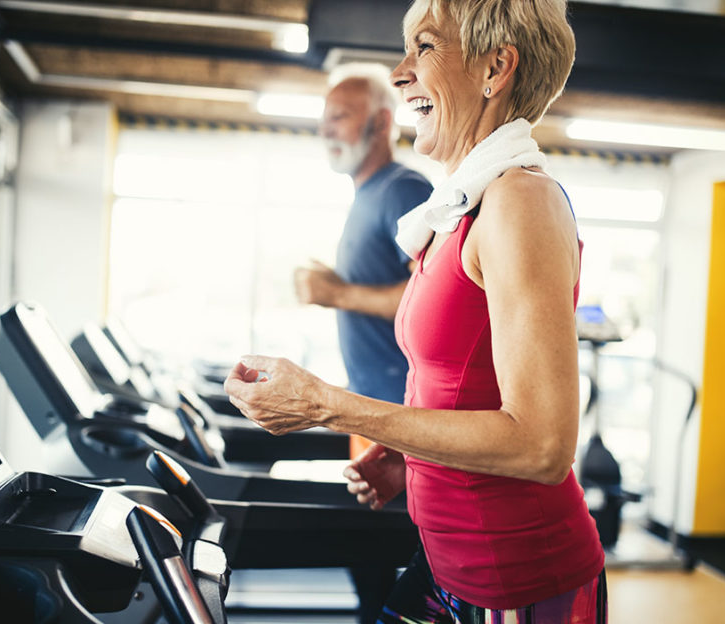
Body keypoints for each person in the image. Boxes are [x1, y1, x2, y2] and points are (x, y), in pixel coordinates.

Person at [225, 0, 607, 622]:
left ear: (495, 68)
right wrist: (409, 456)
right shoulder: (464, 208)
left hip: (516, 579)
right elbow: (466, 381)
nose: (401, 72)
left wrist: (328, 405)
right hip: (445, 560)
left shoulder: (520, 203)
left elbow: (542, 444)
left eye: (424, 48)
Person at [294, 64, 433, 624]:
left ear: (380, 122)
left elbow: (435, 300)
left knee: (392, 568)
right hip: (371, 409)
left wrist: (339, 293)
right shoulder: (367, 193)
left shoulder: (404, 188)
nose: (327, 130)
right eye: (323, 120)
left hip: (403, 418)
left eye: (339, 118)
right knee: (368, 565)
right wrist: (337, 286)